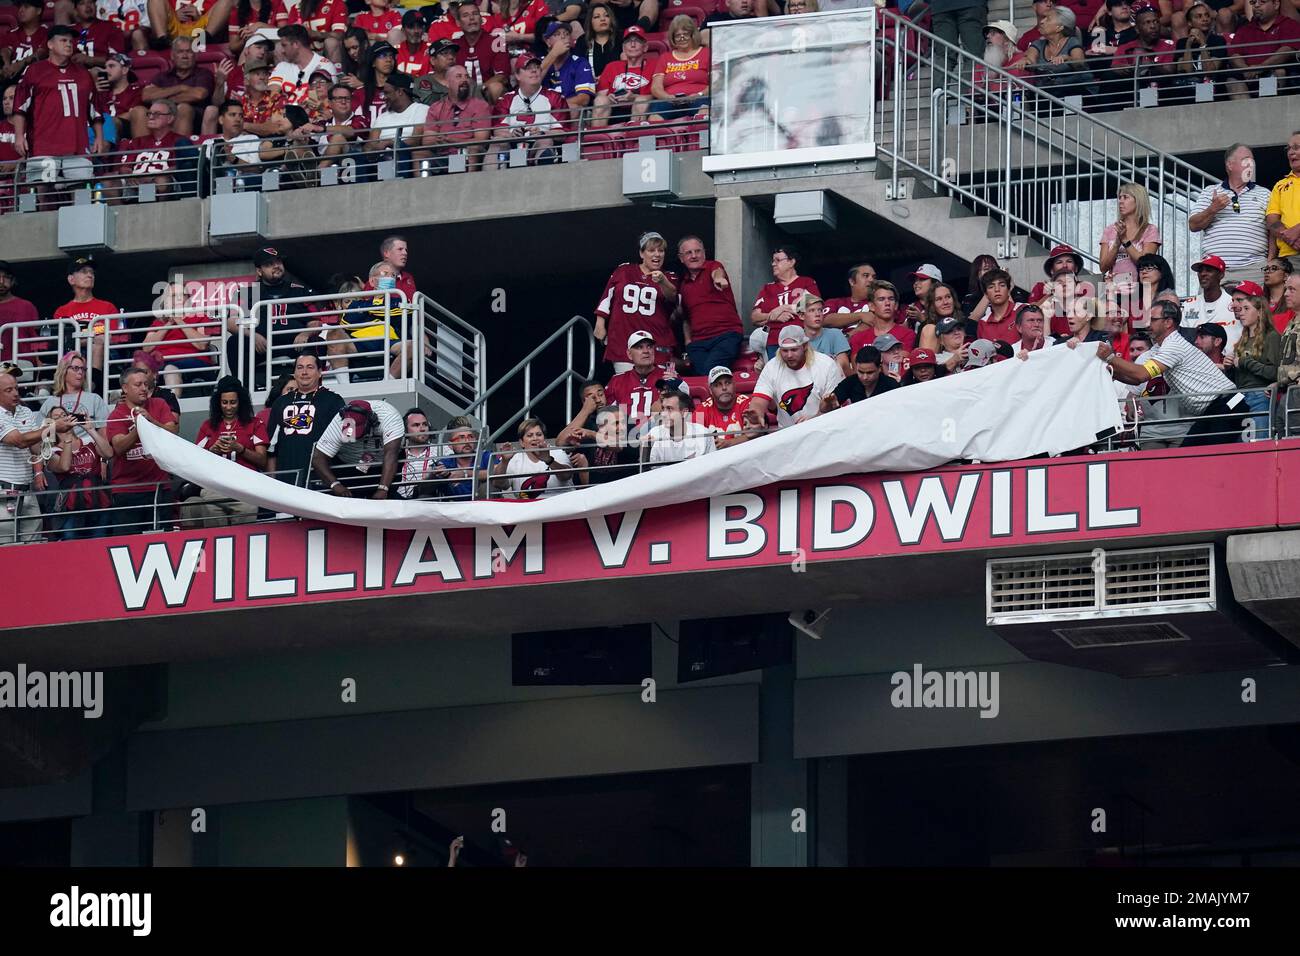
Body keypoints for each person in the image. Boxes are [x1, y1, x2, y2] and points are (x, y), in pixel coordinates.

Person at [1089, 299, 1246, 446]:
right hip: (1216, 407)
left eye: (1153, 319)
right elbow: (1137, 381)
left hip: (1226, 404)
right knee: (1192, 456)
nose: (1147, 323)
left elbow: (1141, 374)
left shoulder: (1174, 345)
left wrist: (1110, 357)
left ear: (1168, 323)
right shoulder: (1163, 346)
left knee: (1205, 460)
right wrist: (1110, 371)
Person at [12, 25, 106, 206]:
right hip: (43, 144)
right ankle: (41, 230)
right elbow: (20, 106)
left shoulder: (83, 74)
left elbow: (95, 108)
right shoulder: (35, 71)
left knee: (82, 193)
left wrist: (99, 137)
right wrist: (18, 135)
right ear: (50, 45)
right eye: (63, 40)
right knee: (44, 191)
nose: (69, 44)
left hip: (78, 145)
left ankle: (81, 230)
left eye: (71, 41)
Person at [1, 370, 76, 544]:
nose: (15, 393)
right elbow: (18, 441)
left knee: (33, 548)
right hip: (3, 494)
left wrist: (61, 438)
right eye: (8, 390)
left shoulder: (25, 411)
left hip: (27, 492)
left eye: (16, 388)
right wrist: (53, 428)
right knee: (5, 550)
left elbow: (35, 447)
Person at [182, 376, 267, 527]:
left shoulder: (254, 424)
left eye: (233, 402)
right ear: (218, 403)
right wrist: (212, 451)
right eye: (224, 402)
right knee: (209, 511)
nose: (228, 407)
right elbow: (194, 463)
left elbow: (262, 460)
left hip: (244, 487)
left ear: (241, 402)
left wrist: (240, 449)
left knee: (248, 511)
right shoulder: (208, 426)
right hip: (214, 487)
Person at [104, 364, 180, 534]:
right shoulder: (115, 415)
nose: (144, 388)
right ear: (125, 388)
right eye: (138, 385)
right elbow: (119, 446)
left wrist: (151, 421)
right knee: (127, 542)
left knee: (162, 539)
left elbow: (173, 432)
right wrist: (139, 428)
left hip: (159, 488)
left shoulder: (159, 404)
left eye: (146, 384)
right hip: (126, 490)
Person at [1189, 144, 1273, 288]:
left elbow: (1272, 231)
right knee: (1213, 310)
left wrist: (1270, 261)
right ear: (1230, 165)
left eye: (1252, 161)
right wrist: (1212, 209)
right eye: (1246, 160)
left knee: (1255, 310)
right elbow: (1193, 225)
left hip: (1254, 269)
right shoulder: (1210, 191)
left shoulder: (1265, 193)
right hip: (1215, 269)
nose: (1251, 164)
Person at [595, 233, 679, 372]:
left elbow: (673, 297)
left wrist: (663, 281)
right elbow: (608, 296)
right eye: (651, 250)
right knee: (627, 385)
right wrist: (600, 321)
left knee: (660, 388)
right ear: (641, 253)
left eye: (661, 250)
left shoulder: (670, 276)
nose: (657, 254)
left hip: (657, 341)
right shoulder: (624, 270)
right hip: (624, 339)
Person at [266, 350, 346, 487]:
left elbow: (347, 439)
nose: (304, 372)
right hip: (286, 479)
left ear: (320, 372)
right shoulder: (280, 402)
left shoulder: (334, 400)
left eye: (310, 367)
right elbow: (272, 449)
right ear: (295, 373)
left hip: (320, 479)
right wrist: (273, 484)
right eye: (300, 367)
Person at [746, 326, 844, 430]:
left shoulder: (826, 364)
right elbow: (759, 399)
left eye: (794, 350)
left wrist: (814, 420)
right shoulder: (771, 367)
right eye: (784, 350)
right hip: (787, 433)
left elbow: (834, 406)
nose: (789, 355)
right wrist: (756, 413)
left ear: (805, 346)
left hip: (824, 429)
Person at [51, 258, 123, 391]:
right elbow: (61, 342)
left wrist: (81, 338)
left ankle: (91, 386)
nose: (90, 275)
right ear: (71, 279)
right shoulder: (62, 311)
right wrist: (91, 336)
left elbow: (112, 338)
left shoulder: (108, 307)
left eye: (91, 272)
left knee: (99, 343)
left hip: (105, 353)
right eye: (84, 272)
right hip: (72, 354)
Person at [673, 236, 741, 375]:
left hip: (725, 335)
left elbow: (718, 272)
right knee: (701, 376)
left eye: (697, 251)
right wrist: (688, 343)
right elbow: (686, 319)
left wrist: (719, 279)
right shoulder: (683, 284)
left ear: (704, 253)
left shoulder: (713, 266)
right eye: (689, 253)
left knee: (711, 372)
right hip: (698, 343)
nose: (694, 256)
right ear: (681, 258)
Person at [44, 404, 112, 539]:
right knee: (70, 538)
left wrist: (91, 430)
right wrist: (68, 437)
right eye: (57, 417)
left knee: (99, 538)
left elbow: (109, 454)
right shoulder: (51, 451)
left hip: (97, 499)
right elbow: (64, 466)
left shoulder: (88, 440)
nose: (63, 419)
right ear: (51, 425)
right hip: (70, 505)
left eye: (64, 415)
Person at [311, 398, 404, 498]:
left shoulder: (388, 416)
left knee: (388, 497)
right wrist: (335, 485)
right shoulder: (339, 420)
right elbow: (318, 457)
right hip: (349, 466)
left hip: (384, 466)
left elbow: (391, 455)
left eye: (358, 431)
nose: (354, 435)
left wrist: (383, 488)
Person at [141, 283, 219, 400]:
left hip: (193, 364)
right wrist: (169, 323)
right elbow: (146, 348)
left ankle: (173, 408)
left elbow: (202, 345)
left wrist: (180, 321)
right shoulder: (158, 323)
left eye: (181, 295)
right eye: (172, 296)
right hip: (159, 366)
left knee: (170, 369)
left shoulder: (200, 317)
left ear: (187, 298)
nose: (177, 299)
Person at [492, 52, 570, 166]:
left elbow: (563, 133)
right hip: (512, 146)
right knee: (496, 143)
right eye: (528, 68)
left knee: (545, 141)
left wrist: (542, 133)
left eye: (537, 67)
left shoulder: (555, 97)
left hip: (540, 144)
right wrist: (512, 134)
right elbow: (497, 131)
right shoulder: (506, 99)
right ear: (517, 75)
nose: (534, 71)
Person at [1224, 283, 1281, 436]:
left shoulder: (1272, 336)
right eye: (1240, 309)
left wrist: (1244, 362)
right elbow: (1240, 377)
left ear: (1260, 312)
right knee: (1237, 446)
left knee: (1256, 446)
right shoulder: (1242, 339)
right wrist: (1229, 367)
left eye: (1246, 309)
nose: (1241, 312)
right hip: (1240, 396)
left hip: (1260, 396)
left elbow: (1274, 372)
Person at [751, 245, 819, 360]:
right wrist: (773, 316)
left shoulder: (806, 282)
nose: (773, 264)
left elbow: (814, 308)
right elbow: (755, 317)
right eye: (773, 261)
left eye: (777, 260)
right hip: (774, 341)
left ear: (791, 262)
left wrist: (782, 308)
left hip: (801, 340)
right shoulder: (768, 288)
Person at [491, 417, 586, 499]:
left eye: (539, 434)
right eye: (529, 435)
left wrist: (549, 460)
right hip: (529, 512)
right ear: (522, 442)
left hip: (561, 508)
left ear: (544, 438)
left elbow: (566, 476)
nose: (535, 438)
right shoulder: (515, 459)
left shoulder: (557, 452)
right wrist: (504, 461)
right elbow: (498, 484)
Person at [141, 34, 214, 136]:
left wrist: (166, 99)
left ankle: (178, 150)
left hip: (194, 118)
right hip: (163, 115)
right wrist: (181, 88)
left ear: (196, 55)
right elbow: (146, 96)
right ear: (172, 55)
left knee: (183, 108)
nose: (184, 56)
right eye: (180, 52)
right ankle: (144, 149)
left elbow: (199, 94)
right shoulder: (163, 76)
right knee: (139, 111)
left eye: (189, 52)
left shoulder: (203, 74)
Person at [423, 65, 492, 171]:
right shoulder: (435, 108)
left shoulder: (480, 106)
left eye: (467, 76)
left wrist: (452, 140)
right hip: (441, 155)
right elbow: (427, 140)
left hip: (466, 154)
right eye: (459, 76)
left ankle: (469, 185)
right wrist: (438, 140)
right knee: (419, 153)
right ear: (447, 83)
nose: (464, 80)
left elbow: (481, 139)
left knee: (473, 149)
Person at [1228, 0, 1300, 96]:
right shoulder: (1243, 30)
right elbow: (1234, 54)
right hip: (1248, 76)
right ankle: (1247, 111)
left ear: (1276, 4)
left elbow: (1287, 50)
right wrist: (1245, 69)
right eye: (1253, 2)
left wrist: (1261, 67)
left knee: (1279, 72)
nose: (1256, 5)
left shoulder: (1289, 24)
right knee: (1232, 81)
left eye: (1262, 2)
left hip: (1274, 73)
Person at [40, 351, 110, 442]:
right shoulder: (50, 402)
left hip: (88, 450)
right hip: (60, 451)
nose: (80, 372)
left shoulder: (94, 399)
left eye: (83, 369)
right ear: (64, 371)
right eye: (76, 368)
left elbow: (104, 437)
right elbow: (42, 437)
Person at [1099, 181, 1161, 285]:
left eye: (1125, 197)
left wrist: (1125, 241)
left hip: (1139, 287)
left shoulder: (1150, 230)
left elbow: (1145, 263)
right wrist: (1116, 244)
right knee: (1091, 299)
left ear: (1138, 201)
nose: (1120, 201)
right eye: (1119, 197)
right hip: (1114, 287)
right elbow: (1103, 267)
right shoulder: (1109, 230)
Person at [648, 15, 708, 121]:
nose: (682, 38)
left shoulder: (706, 53)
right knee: (654, 118)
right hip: (669, 100)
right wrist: (667, 97)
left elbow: (717, 82)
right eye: (677, 35)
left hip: (699, 98)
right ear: (673, 38)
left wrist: (699, 94)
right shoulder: (665, 57)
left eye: (685, 34)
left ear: (692, 35)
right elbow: (656, 87)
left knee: (705, 112)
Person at [592, 24, 652, 127]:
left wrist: (634, 97)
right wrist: (608, 97)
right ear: (623, 48)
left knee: (641, 101)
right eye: (628, 41)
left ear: (645, 47)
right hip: (614, 109)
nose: (632, 45)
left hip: (642, 109)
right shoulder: (612, 66)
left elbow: (657, 95)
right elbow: (600, 94)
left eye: (637, 41)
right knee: (601, 100)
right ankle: (598, 141)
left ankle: (635, 139)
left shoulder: (654, 65)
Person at [1180, 254, 1240, 354]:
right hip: (1194, 362)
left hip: (1228, 363)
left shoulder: (1235, 304)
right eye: (1200, 271)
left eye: (1208, 270)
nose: (1203, 274)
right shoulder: (1188, 305)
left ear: (1221, 275)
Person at [605, 331, 666, 428]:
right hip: (626, 438)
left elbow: (683, 411)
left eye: (649, 346)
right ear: (629, 354)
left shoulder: (668, 377)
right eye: (639, 347)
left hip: (661, 435)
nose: (646, 351)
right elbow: (606, 416)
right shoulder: (617, 381)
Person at [453, 1, 511, 103]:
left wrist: (476, 92)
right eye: (465, 15)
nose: (471, 18)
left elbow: (502, 76)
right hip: (460, 94)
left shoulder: (497, 41)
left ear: (481, 19)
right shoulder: (454, 45)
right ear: (458, 22)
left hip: (487, 95)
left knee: (496, 87)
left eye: (475, 14)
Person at [642, 390, 714, 465]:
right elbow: (649, 472)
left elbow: (712, 469)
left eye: (669, 409)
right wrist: (645, 450)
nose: (663, 414)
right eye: (663, 408)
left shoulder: (704, 434)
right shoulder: (654, 434)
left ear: (685, 413)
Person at [819, 345, 898, 412]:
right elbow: (824, 408)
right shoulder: (850, 382)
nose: (865, 377)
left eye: (870, 373)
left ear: (879, 368)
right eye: (861, 372)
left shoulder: (891, 385)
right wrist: (828, 404)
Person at [538, 20, 594, 113]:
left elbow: (584, 99)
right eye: (557, 34)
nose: (563, 37)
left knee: (574, 108)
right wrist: (553, 54)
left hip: (567, 114)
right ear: (548, 41)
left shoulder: (580, 62)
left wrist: (555, 107)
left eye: (566, 34)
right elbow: (528, 88)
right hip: (541, 116)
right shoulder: (539, 62)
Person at [848, 281, 917, 355]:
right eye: (881, 299)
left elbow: (901, 363)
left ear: (896, 305)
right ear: (871, 306)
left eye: (891, 299)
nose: (887, 303)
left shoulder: (907, 334)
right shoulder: (858, 338)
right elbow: (857, 366)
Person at [1266, 132, 1300, 271]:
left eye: (1296, 147)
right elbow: (1271, 220)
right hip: (1287, 260)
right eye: (1289, 149)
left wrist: (1297, 230)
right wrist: (1289, 237)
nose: (1291, 152)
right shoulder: (1280, 185)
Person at [698, 365, 753, 449]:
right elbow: (695, 442)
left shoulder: (746, 403)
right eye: (718, 385)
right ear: (710, 390)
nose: (724, 388)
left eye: (727, 383)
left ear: (734, 385)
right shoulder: (701, 410)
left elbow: (755, 434)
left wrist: (729, 443)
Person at [800, 292, 851, 374]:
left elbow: (844, 365)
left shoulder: (835, 334)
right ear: (802, 316)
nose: (817, 314)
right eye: (812, 310)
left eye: (820, 310)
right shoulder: (798, 339)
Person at [822, 263, 876, 327]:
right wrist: (860, 315)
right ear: (852, 282)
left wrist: (848, 336)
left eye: (874, 277)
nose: (871, 280)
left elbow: (870, 324)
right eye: (866, 275)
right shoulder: (834, 302)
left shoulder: (878, 303)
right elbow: (824, 320)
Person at [903, 263, 942, 329]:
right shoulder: (908, 308)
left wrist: (922, 320)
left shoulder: (945, 306)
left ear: (935, 283)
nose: (916, 283)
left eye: (922, 279)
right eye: (915, 280)